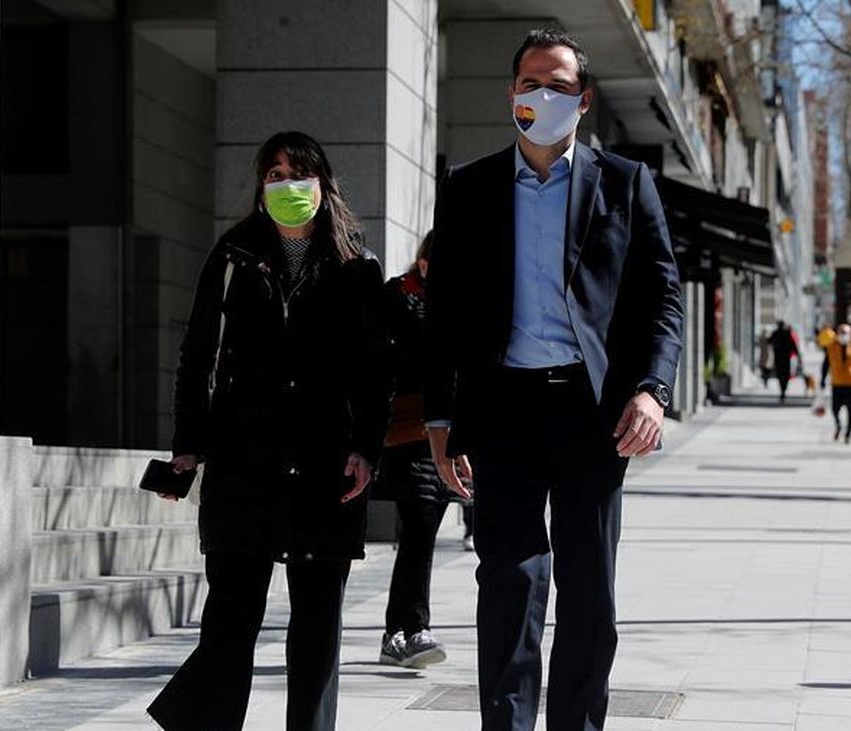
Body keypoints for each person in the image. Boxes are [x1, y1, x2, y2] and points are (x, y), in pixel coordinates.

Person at [423, 29, 684, 731]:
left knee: (590, 591)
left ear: (585, 100)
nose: (544, 94)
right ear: (511, 95)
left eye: (560, 84)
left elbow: (663, 298)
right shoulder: (469, 190)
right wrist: (440, 420)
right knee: (509, 579)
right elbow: (443, 312)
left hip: (591, 412)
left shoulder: (627, 185)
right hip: (501, 409)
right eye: (532, 82)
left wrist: (652, 390)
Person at [148, 131, 390, 731]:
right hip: (243, 462)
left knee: (315, 632)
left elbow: (373, 372)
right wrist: (188, 443)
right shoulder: (232, 257)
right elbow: (196, 355)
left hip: (324, 465)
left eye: (298, 173)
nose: (287, 185)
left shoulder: (358, 268)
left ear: (323, 184)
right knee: (230, 623)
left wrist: (368, 447)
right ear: (260, 186)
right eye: (274, 174)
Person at [375, 231, 453, 669]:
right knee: (420, 527)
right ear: (422, 263)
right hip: (406, 433)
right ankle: (414, 628)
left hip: (444, 435)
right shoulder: (399, 298)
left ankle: (397, 632)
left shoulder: (458, 307)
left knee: (419, 534)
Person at [820, 322, 851, 441]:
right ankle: (838, 425)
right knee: (835, 408)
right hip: (837, 383)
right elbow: (826, 364)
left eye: (846, 332)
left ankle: (848, 433)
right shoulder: (831, 347)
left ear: (850, 334)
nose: (843, 335)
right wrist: (822, 379)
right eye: (841, 332)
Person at [768, 320, 800, 402]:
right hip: (786, 357)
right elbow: (793, 344)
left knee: (780, 374)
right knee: (785, 374)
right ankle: (784, 389)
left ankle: (782, 389)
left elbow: (769, 341)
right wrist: (797, 354)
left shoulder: (775, 333)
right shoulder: (787, 333)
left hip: (778, 357)